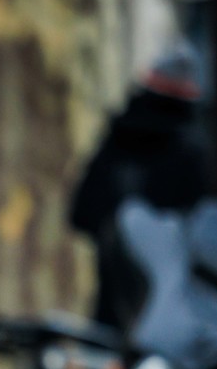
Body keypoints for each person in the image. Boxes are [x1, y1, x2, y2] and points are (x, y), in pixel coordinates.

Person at [70, 45, 209, 330]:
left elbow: (82, 212)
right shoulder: (196, 147)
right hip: (179, 312)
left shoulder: (119, 136)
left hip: (114, 304)